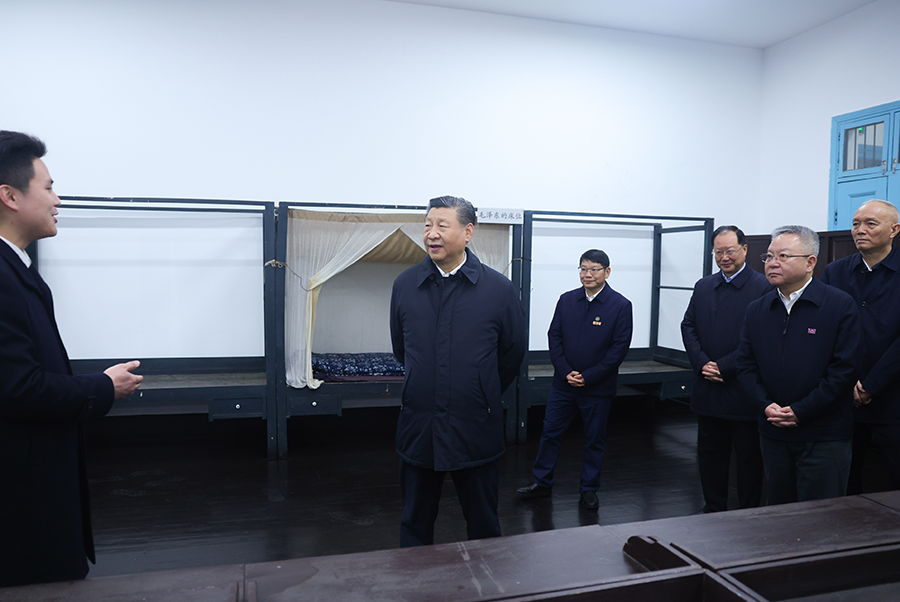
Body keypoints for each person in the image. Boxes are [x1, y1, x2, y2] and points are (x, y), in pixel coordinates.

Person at [0, 131, 143, 587]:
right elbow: (18, 389)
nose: (57, 200)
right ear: (10, 196)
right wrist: (103, 386)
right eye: (48, 187)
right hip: (20, 503)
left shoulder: (16, 268)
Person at [390, 195, 526, 547]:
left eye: (442, 226)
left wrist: (480, 389)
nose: (431, 234)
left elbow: (512, 352)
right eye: (427, 225)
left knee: (483, 525)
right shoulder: (405, 285)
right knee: (414, 524)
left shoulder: (498, 289)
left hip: (475, 425)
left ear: (468, 232)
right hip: (419, 425)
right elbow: (401, 349)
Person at [736, 225, 859, 505]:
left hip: (824, 434)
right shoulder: (758, 309)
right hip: (773, 429)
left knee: (820, 515)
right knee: (780, 513)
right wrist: (765, 405)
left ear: (810, 262)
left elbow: (844, 370)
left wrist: (801, 411)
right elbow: (745, 365)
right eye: (769, 256)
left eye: (783, 256)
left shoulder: (839, 305)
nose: (772, 263)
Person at [516, 249, 633, 510]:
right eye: (583, 268)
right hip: (563, 384)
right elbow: (554, 336)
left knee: (594, 439)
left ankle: (589, 489)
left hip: (598, 388)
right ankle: (542, 482)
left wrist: (588, 376)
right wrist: (565, 371)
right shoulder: (567, 299)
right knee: (550, 433)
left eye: (594, 269)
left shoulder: (620, 305)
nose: (587, 274)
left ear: (607, 272)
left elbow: (618, 350)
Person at [681, 225, 770, 512]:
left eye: (730, 251)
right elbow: (688, 326)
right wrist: (702, 363)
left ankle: (748, 511)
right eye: (718, 252)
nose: (724, 257)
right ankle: (713, 507)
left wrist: (724, 366)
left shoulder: (763, 286)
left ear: (745, 249)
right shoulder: (703, 285)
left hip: (744, 390)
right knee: (710, 454)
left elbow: (761, 337)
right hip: (708, 388)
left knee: (749, 458)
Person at [821, 199, 900, 494]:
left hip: (893, 396)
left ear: (894, 230)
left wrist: (870, 384)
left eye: (870, 223)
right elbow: (827, 330)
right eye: (855, 224)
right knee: (843, 481)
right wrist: (847, 379)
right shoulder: (835, 272)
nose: (860, 230)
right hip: (843, 394)